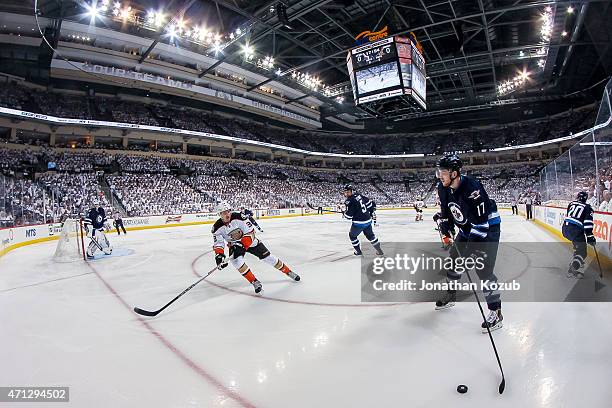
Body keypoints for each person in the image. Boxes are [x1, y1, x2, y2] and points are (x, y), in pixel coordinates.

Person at [434, 153, 503, 332]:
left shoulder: (473, 189)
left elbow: (481, 226)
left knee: (483, 270)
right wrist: (445, 224)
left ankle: (496, 312)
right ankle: (451, 294)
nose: (440, 175)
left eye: (443, 172)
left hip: (488, 229)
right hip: (467, 227)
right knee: (454, 261)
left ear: (455, 173)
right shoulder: (443, 187)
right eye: (439, 171)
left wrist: (470, 253)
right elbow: (447, 212)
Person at [212, 202, 299, 294]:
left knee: (269, 258)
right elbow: (218, 244)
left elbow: (251, 232)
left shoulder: (239, 217)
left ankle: (288, 272)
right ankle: (254, 281)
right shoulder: (216, 228)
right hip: (234, 245)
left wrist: (242, 245)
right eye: (224, 212)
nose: (227, 214)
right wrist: (219, 255)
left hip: (250, 241)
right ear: (219, 214)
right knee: (237, 262)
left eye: (228, 211)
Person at [562, 191, 596, 279]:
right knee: (583, 252)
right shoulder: (588, 207)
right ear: (586, 198)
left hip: (565, 228)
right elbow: (588, 223)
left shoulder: (571, 203)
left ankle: (576, 260)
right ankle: (572, 269)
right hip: (575, 230)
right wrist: (590, 236)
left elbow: (570, 216)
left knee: (578, 246)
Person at [343, 184, 383, 256]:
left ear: (351, 191)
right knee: (371, 236)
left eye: (348, 192)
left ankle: (358, 252)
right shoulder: (358, 195)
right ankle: (379, 251)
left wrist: (344, 213)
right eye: (345, 192)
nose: (346, 193)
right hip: (367, 220)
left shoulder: (349, 201)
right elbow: (368, 203)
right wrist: (370, 212)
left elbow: (349, 216)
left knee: (352, 236)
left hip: (359, 223)